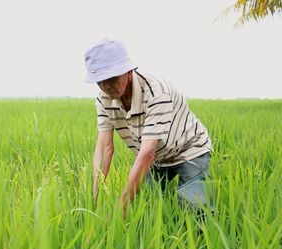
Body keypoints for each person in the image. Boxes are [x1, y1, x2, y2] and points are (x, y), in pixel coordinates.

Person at [84, 38, 214, 217]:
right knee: (149, 210)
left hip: (188, 149)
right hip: (156, 157)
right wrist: (95, 193)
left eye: (111, 78)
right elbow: (105, 147)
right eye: (99, 81)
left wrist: (120, 207)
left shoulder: (157, 92)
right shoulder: (104, 98)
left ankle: (200, 239)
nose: (106, 86)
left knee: (195, 211)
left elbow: (147, 153)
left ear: (128, 71)